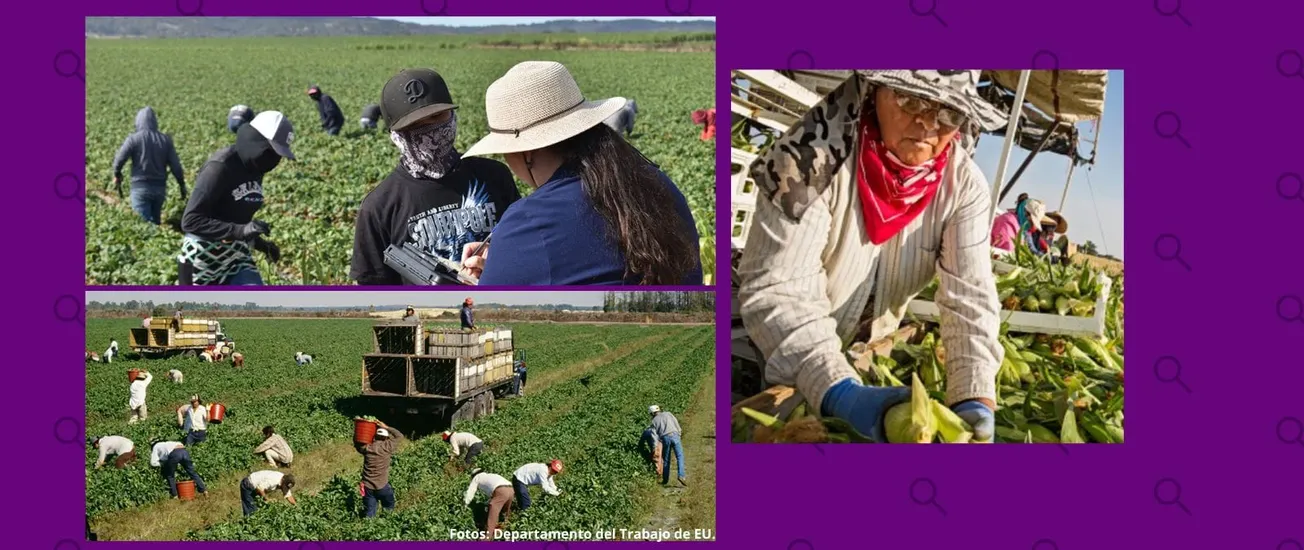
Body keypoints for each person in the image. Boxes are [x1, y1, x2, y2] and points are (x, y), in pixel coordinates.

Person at [737, 70, 1009, 444]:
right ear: (874, 91)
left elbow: (971, 297)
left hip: (873, 349)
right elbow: (779, 289)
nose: (928, 124)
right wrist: (837, 391)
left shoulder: (963, 188)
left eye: (949, 113)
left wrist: (974, 395)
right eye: (912, 99)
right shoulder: (807, 159)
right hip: (795, 346)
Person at [461, 61, 702, 286]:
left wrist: (508, 255)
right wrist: (510, 258)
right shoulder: (660, 183)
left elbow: (490, 310)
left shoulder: (528, 222)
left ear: (526, 152)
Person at [351, 68, 520, 285]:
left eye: (437, 116)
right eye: (415, 125)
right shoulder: (379, 207)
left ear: (452, 115)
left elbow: (522, 247)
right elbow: (373, 289)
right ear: (395, 135)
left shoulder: (495, 176)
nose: (431, 130)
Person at [180, 111, 293, 286]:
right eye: (271, 151)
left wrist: (262, 245)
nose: (275, 160)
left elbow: (237, 218)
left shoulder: (256, 167)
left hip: (236, 257)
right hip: (201, 260)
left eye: (279, 154)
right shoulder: (220, 167)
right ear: (256, 141)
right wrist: (241, 231)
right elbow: (191, 221)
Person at [111, 106, 187, 224]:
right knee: (155, 223)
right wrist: (181, 184)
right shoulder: (165, 140)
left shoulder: (133, 139)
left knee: (143, 226)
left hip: (140, 187)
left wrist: (117, 173)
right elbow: (175, 166)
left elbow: (119, 159)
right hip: (159, 189)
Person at [356, 420, 403, 517]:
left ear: (375, 437)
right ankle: (385, 522)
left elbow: (357, 444)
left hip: (367, 486)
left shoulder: (367, 448)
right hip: (382, 486)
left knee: (369, 512)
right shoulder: (387, 446)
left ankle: (368, 528)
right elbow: (399, 436)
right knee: (389, 506)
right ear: (386, 438)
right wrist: (386, 427)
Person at [463, 468, 514, 539]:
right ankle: (505, 531)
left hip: (501, 490)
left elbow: (470, 492)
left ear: (474, 475)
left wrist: (465, 505)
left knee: (493, 512)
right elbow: (494, 493)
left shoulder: (477, 477)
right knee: (505, 514)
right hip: (511, 490)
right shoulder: (490, 475)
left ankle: (487, 538)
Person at [648, 405, 686, 486]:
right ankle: (681, 476)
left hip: (665, 438)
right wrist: (679, 433)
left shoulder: (654, 421)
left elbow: (654, 436)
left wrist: (655, 447)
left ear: (652, 413)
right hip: (675, 435)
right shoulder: (668, 414)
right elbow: (676, 423)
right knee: (679, 456)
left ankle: (665, 480)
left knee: (666, 459)